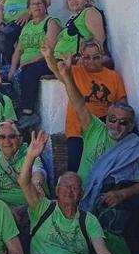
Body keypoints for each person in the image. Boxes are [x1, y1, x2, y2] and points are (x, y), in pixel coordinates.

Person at [43, 43, 139, 254]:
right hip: (82, 197)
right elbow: (78, 102)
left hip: (111, 203)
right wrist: (66, 76)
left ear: (131, 126)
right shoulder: (95, 128)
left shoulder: (135, 147)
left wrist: (122, 194)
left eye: (124, 122)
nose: (116, 125)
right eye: (112, 119)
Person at [55, 40, 128, 172]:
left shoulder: (113, 76)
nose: (91, 61)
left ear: (102, 56)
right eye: (87, 57)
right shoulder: (75, 72)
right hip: (77, 131)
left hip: (102, 133)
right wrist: (49, 56)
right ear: (81, 57)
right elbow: (57, 71)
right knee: (74, 170)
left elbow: (122, 106)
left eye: (96, 57)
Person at [0, 120, 47, 254]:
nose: (6, 141)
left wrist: (37, 182)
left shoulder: (30, 154)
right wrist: (6, 209)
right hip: (4, 210)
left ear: (20, 139)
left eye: (11, 136)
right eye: (2, 137)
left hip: (29, 207)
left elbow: (39, 171)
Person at [7, 0, 61, 129]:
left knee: (28, 71)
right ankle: (12, 113)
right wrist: (12, 69)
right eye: (33, 4)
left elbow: (49, 49)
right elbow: (18, 50)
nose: (36, 6)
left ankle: (28, 112)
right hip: (24, 64)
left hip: (46, 61)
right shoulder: (27, 26)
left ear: (45, 6)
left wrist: (25, 64)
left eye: (39, 3)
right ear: (29, 9)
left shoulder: (51, 22)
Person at [53, 0, 109, 65]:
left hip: (76, 62)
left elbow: (100, 38)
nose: (73, 1)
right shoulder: (73, 17)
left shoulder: (89, 12)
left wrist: (84, 57)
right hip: (62, 61)